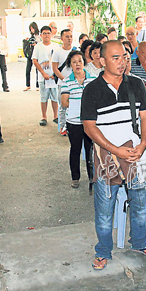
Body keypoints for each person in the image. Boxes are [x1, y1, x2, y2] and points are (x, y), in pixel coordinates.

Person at [81, 40, 146, 271]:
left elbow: (145, 117)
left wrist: (143, 145)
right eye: (115, 57)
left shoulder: (135, 84)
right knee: (105, 207)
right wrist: (115, 150)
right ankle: (103, 251)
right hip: (106, 155)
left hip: (136, 154)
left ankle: (139, 242)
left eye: (124, 57)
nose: (121, 62)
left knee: (139, 202)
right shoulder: (92, 90)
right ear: (102, 61)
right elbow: (89, 127)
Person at [61, 50, 96, 190]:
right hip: (74, 122)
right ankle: (75, 178)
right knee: (75, 149)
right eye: (74, 62)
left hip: (89, 122)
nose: (77, 64)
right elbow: (64, 102)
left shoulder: (92, 79)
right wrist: (80, 105)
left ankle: (92, 177)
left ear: (84, 62)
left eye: (80, 61)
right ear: (70, 64)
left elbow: (96, 99)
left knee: (91, 150)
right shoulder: (66, 81)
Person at [33, 26, 58, 127]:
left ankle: (56, 116)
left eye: (48, 33)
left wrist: (55, 74)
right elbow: (35, 60)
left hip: (53, 76)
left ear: (51, 34)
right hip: (43, 77)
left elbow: (58, 61)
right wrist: (43, 73)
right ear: (41, 35)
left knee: (55, 97)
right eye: (44, 33)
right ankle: (44, 117)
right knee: (44, 97)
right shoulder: (38, 47)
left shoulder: (56, 46)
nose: (46, 35)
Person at [52, 28, 75, 136]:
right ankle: (63, 127)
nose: (69, 39)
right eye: (67, 37)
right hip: (62, 84)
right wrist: (64, 80)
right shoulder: (57, 52)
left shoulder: (75, 51)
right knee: (63, 107)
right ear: (62, 39)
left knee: (74, 105)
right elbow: (55, 68)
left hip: (75, 83)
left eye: (71, 36)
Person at [24, 22, 40, 91]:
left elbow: (40, 44)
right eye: (30, 29)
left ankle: (38, 85)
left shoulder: (39, 36)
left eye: (33, 28)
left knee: (37, 70)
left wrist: (36, 43)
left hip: (37, 54)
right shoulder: (30, 36)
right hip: (30, 54)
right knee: (28, 70)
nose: (32, 30)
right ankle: (28, 85)